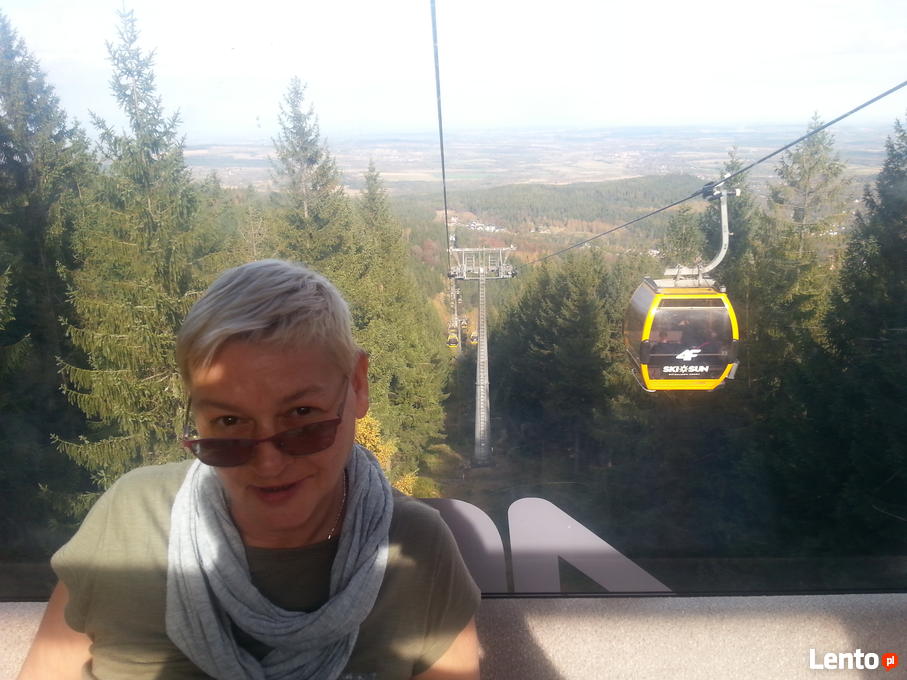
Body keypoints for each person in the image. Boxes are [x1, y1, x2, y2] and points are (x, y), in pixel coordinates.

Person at [18, 259, 481, 680]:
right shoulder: (131, 519)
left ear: (357, 386)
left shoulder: (415, 550)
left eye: (302, 416)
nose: (269, 463)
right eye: (229, 424)